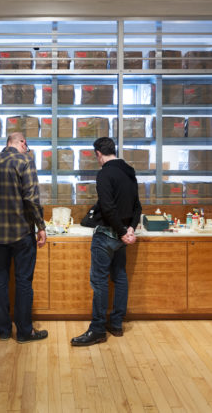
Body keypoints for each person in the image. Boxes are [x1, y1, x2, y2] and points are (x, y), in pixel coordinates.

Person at [0, 132, 48, 343]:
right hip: (21, 232)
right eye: (27, 145)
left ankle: (4, 331)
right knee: (23, 281)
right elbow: (32, 198)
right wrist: (41, 226)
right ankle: (25, 332)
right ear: (22, 143)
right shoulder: (25, 161)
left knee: (0, 278)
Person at [71, 137, 141, 347]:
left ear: (98, 154)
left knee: (99, 281)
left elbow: (108, 208)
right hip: (122, 237)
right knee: (119, 277)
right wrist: (130, 229)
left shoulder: (104, 174)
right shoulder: (129, 171)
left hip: (107, 236)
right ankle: (116, 323)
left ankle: (98, 329)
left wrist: (121, 232)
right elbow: (137, 206)